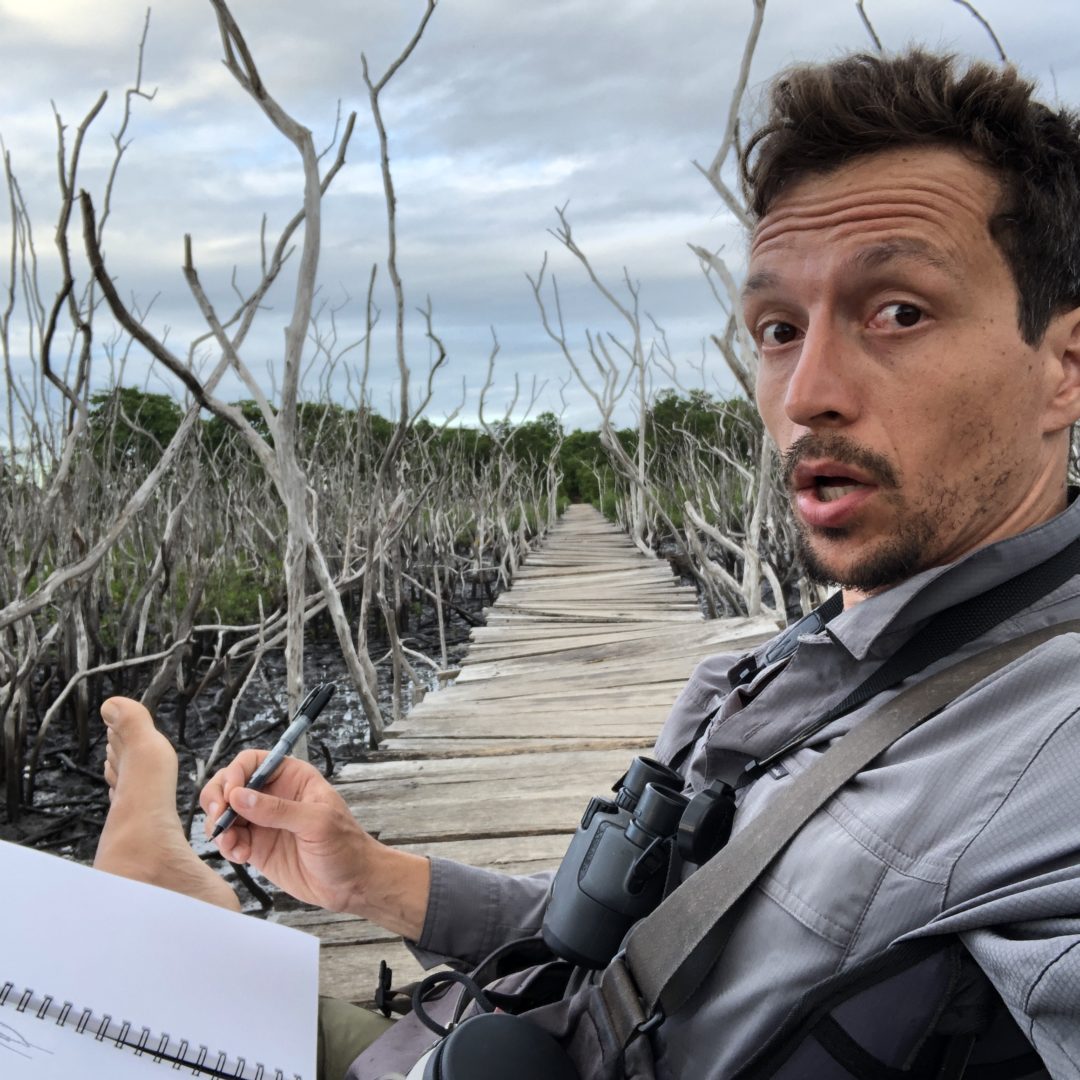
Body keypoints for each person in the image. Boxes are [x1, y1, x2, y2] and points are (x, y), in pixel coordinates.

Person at [92, 48, 1080, 1078]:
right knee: (133, 977)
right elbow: (643, 945)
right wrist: (370, 877)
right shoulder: (788, 660)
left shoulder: (1052, 751)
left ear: (1066, 367)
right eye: (779, 329)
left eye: (898, 313)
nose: (807, 391)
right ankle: (188, 922)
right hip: (468, 1030)